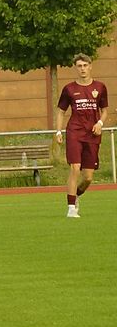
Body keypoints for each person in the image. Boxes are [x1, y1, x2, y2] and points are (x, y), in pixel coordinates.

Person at [55, 53, 108, 219]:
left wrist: (100, 123)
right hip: (75, 132)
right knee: (75, 167)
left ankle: (76, 194)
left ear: (90, 66)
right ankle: (71, 208)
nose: (82, 69)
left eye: (85, 65)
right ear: (75, 68)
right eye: (79, 66)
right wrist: (58, 131)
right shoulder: (69, 89)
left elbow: (104, 111)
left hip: (92, 134)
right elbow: (60, 111)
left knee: (88, 178)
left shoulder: (100, 87)